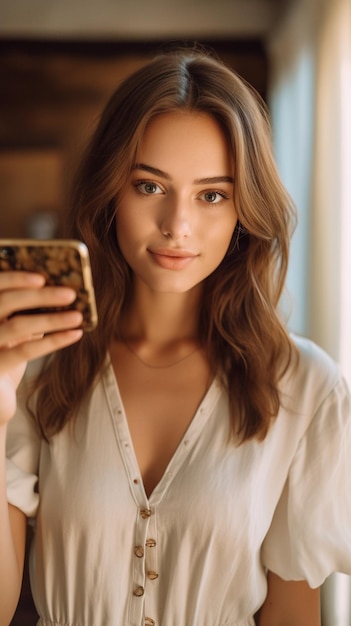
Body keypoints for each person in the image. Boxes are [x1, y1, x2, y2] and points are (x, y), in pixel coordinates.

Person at [1, 47, 350, 626]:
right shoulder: (37, 367)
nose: (178, 226)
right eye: (149, 187)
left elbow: (294, 616)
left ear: (245, 208)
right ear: (110, 192)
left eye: (212, 195)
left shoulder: (307, 390)